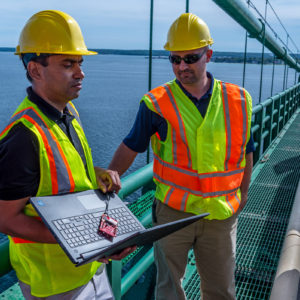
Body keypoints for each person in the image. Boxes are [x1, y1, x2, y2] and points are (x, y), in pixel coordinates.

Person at [109, 13, 255, 300]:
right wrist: (107, 187)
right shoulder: (156, 103)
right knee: (169, 288)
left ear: (208, 55)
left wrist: (244, 193)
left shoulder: (239, 99)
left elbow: (246, 150)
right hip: (173, 212)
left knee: (221, 289)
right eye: (175, 59)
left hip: (221, 212)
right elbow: (131, 146)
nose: (182, 66)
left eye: (190, 57)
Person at [0, 10, 135, 300]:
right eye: (68, 63)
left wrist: (99, 173)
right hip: (55, 284)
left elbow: (62, 171)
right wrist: (86, 240)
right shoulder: (24, 136)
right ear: (35, 70)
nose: (80, 72)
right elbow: (5, 218)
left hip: (90, 266)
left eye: (80, 63)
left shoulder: (67, 113)